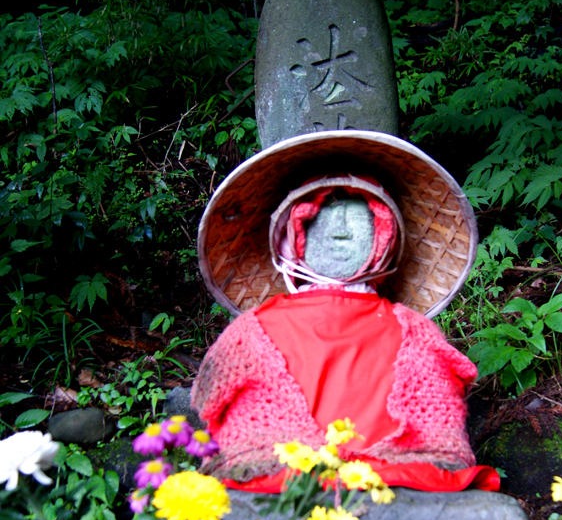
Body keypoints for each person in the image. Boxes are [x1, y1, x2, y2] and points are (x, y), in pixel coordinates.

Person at [192, 168, 499, 494]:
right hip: (299, 472)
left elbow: (206, 401)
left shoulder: (414, 332)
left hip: (379, 471)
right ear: (292, 237)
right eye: (319, 220)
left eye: (358, 220)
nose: (340, 232)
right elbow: (209, 396)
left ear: (382, 239)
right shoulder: (252, 331)